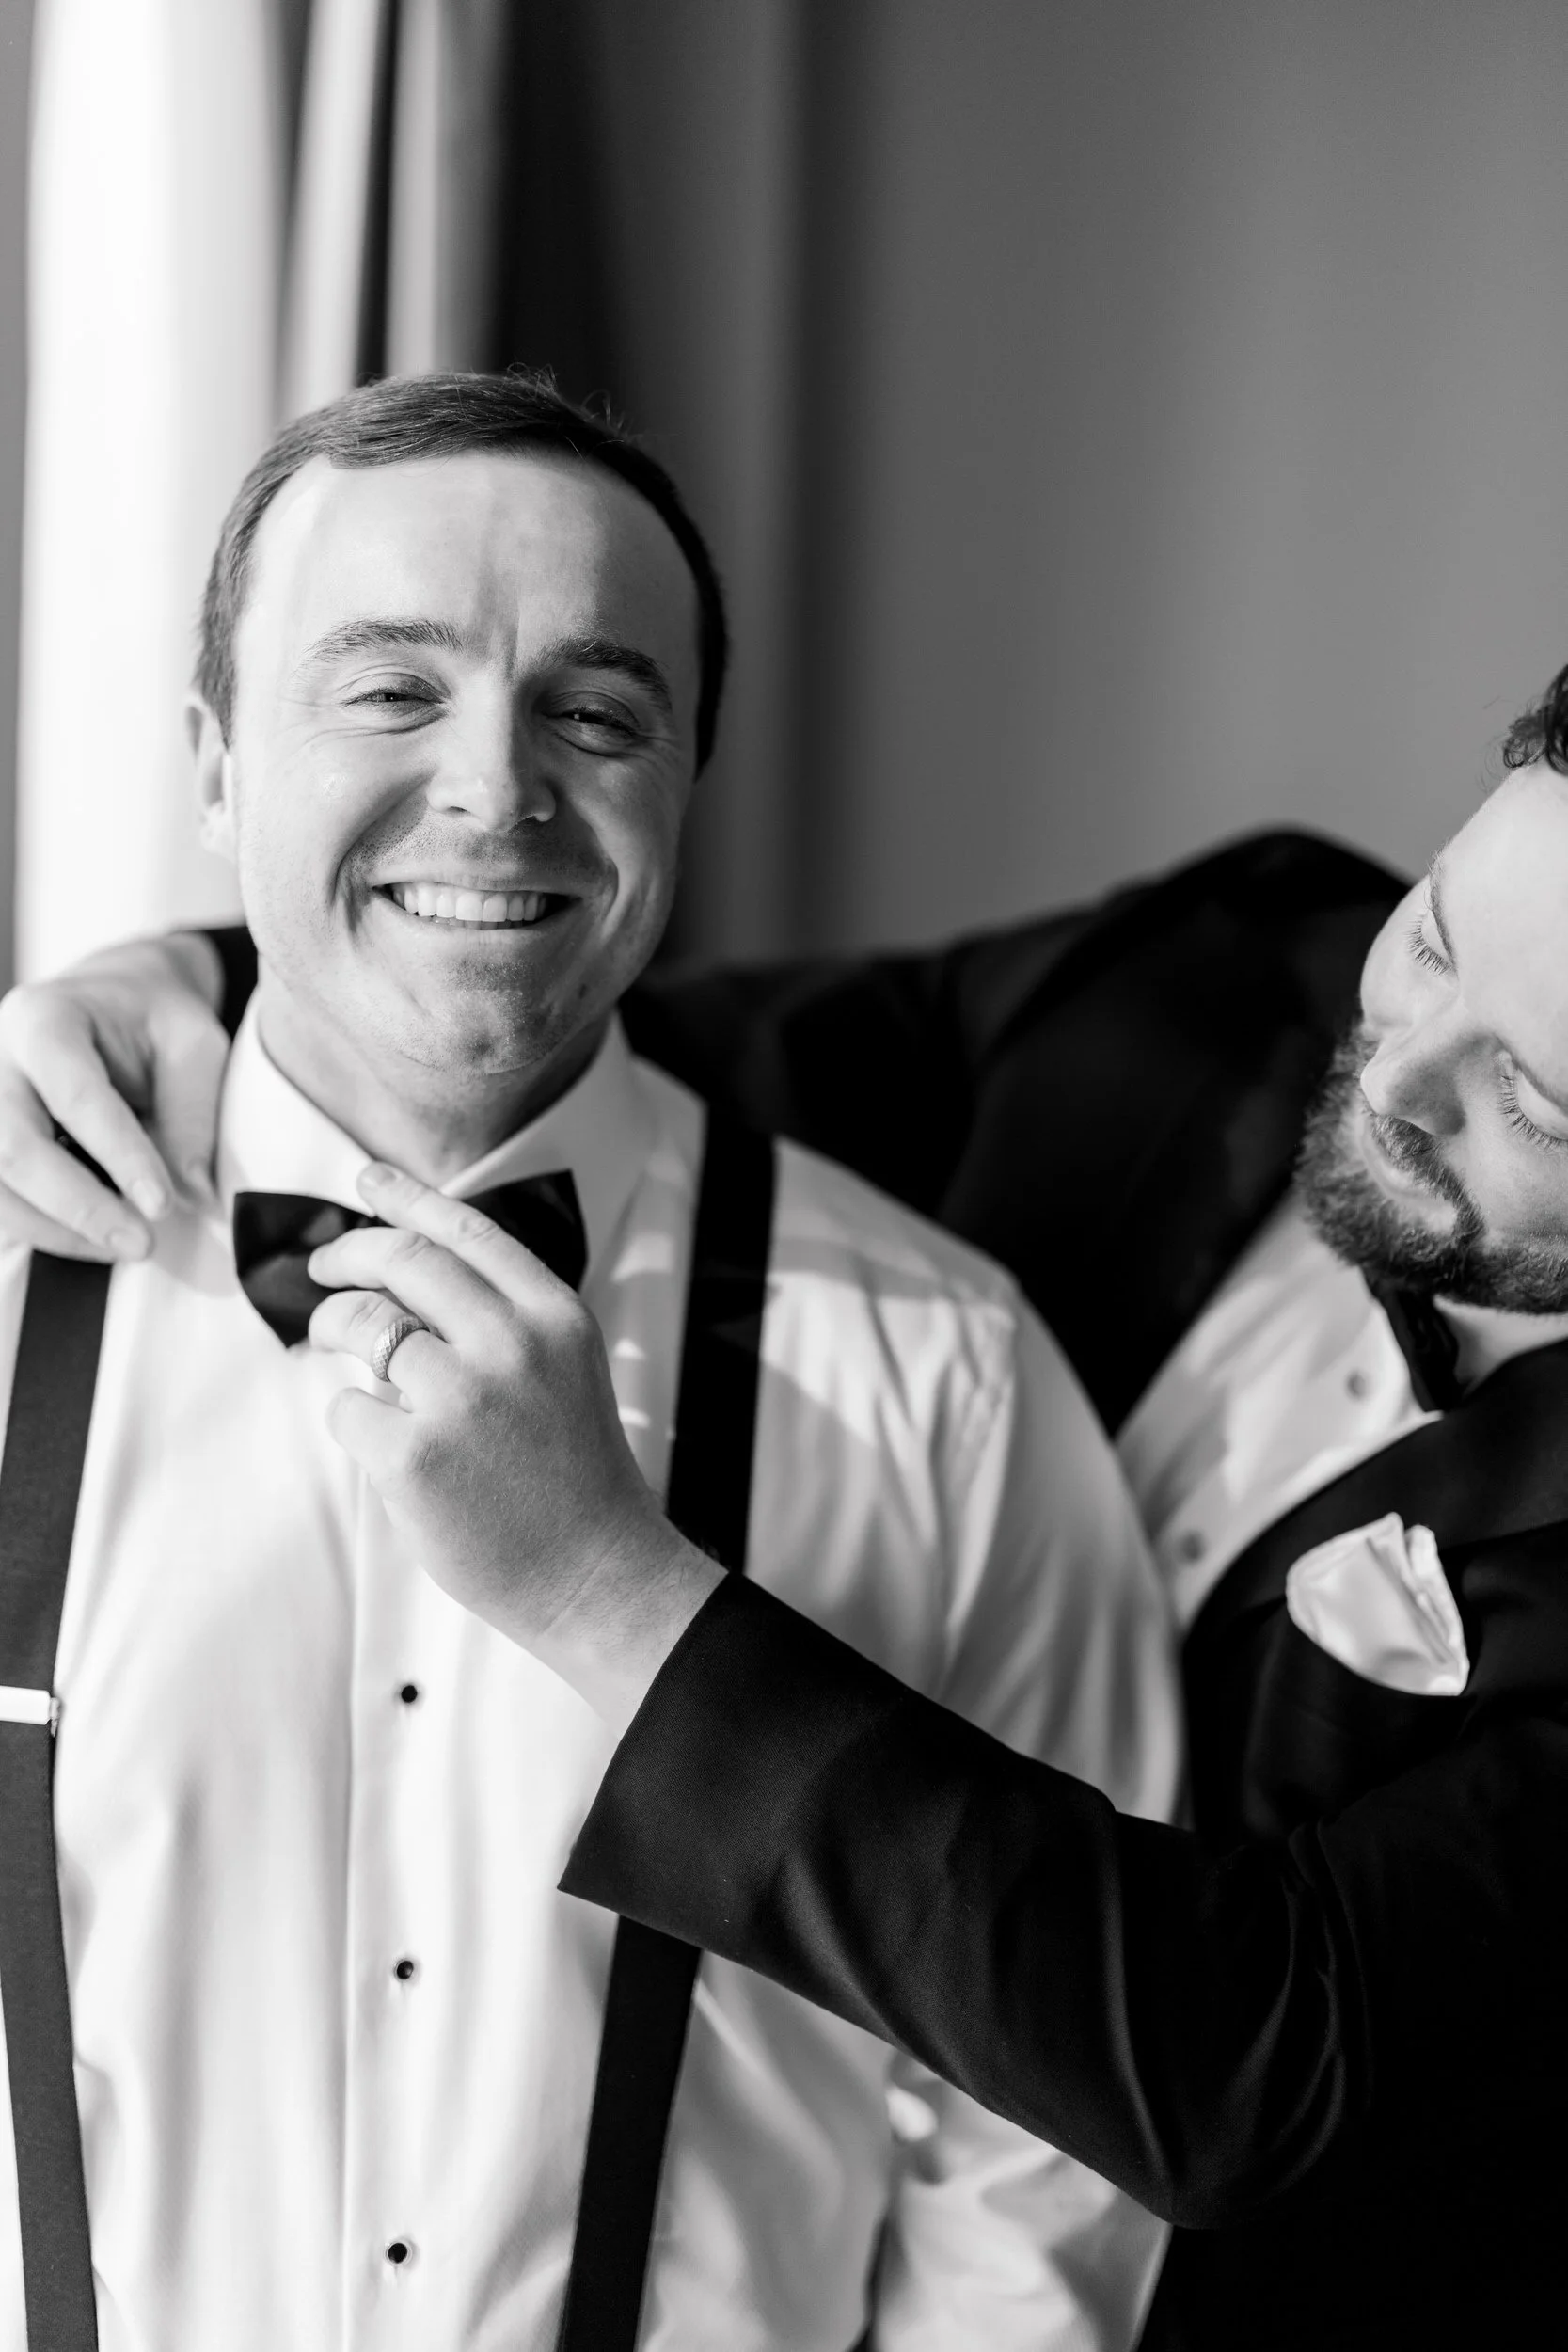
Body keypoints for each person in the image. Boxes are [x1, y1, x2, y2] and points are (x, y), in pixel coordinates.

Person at [12, 667, 1568, 2351]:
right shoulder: (1218, 964)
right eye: (1430, 938)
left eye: (1533, 1096)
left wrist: (602, 1588)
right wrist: (194, 974)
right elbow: (604, 1018)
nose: (1398, 1071)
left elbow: (1241, 2064)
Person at [0, 370, 1178, 2352]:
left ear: (685, 776)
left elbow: (1043, 2133)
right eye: (388, 688)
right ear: (214, 763)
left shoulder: (944, 1376)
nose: (493, 786)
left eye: (596, 707)